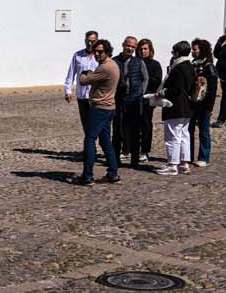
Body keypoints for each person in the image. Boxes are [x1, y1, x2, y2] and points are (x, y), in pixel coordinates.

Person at [74, 39, 120, 186]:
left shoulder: (105, 68)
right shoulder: (112, 65)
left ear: (108, 52)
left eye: (101, 52)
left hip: (100, 108)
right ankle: (113, 174)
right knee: (106, 141)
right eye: (96, 51)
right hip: (109, 108)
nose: (97, 54)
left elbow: (83, 80)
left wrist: (85, 73)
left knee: (90, 139)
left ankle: (87, 176)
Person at [156, 41, 196, 177]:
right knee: (184, 136)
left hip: (176, 107)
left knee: (172, 136)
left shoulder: (178, 68)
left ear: (177, 53)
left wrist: (163, 92)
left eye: (173, 52)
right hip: (187, 108)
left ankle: (172, 165)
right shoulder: (190, 66)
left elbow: (176, 89)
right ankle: (184, 163)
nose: (172, 55)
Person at [62, 29, 102, 152]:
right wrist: (68, 90)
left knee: (97, 124)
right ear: (85, 41)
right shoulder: (78, 55)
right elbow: (71, 73)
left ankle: (100, 147)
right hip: (82, 96)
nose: (90, 44)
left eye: (93, 41)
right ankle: (90, 148)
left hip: (96, 96)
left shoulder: (100, 56)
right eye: (88, 41)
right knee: (86, 123)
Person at [113, 36, 148, 168]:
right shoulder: (114, 61)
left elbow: (145, 79)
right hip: (119, 100)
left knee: (134, 131)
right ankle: (115, 158)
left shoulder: (139, 62)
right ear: (123, 45)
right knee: (117, 130)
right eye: (128, 46)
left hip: (134, 101)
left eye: (133, 47)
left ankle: (134, 160)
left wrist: (141, 93)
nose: (130, 49)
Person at [188, 38, 216, 166]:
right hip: (192, 103)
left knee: (204, 131)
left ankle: (204, 157)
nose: (192, 52)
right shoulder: (192, 64)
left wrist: (210, 107)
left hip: (204, 105)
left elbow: (213, 89)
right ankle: (188, 155)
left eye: (195, 49)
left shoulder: (208, 66)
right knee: (189, 131)